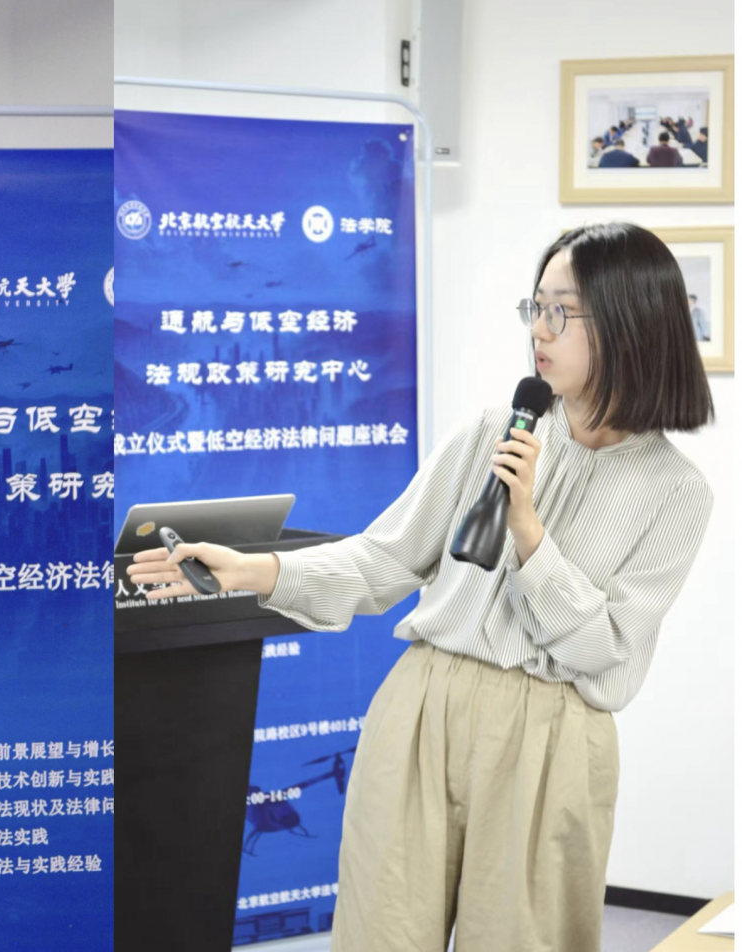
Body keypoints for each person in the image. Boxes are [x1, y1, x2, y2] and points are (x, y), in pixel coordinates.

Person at [128, 222, 714, 952]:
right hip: (422, 708)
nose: (538, 329)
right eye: (534, 307)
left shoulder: (675, 491)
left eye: (561, 311)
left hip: (552, 738)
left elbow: (605, 650)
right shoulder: (492, 431)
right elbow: (381, 563)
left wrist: (529, 535)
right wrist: (253, 570)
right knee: (383, 932)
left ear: (630, 321)